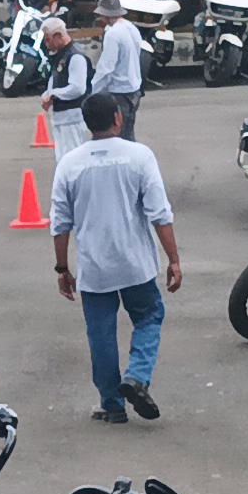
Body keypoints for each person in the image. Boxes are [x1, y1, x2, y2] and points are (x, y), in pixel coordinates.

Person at [50, 92, 181, 424]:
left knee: (101, 335)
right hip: (136, 264)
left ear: (86, 124)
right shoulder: (139, 156)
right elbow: (159, 213)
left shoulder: (69, 164)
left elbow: (60, 223)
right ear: (118, 118)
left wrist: (62, 267)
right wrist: (174, 259)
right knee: (149, 317)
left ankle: (111, 404)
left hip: (94, 268)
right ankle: (137, 375)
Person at [91, 0, 145, 140]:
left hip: (119, 91)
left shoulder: (113, 33)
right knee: (129, 134)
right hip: (134, 89)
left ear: (106, 15)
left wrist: (94, 91)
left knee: (118, 136)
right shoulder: (131, 28)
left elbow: (106, 67)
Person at [39, 17, 92, 164]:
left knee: (73, 160)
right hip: (62, 118)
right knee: (63, 160)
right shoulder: (61, 55)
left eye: (48, 40)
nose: (46, 44)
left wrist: (53, 94)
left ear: (58, 36)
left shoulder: (75, 57)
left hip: (73, 118)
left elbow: (78, 88)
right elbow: (55, 78)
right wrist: (47, 94)